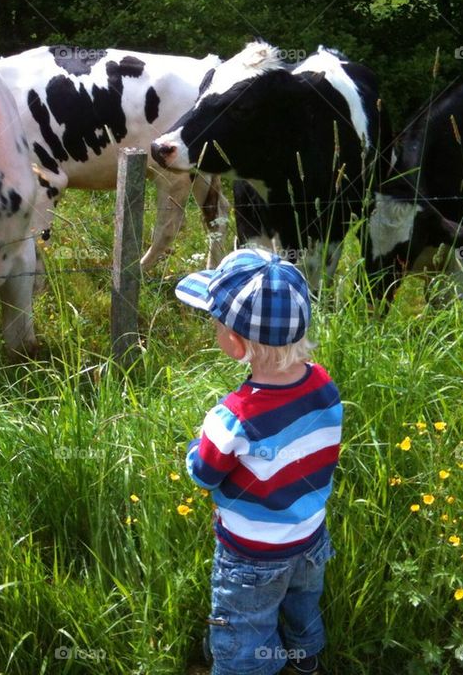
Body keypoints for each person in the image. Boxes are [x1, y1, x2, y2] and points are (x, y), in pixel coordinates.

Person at [176, 248, 342, 675]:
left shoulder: (232, 417)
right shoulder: (324, 385)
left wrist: (198, 446)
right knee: (302, 603)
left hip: (251, 556)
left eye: (217, 325)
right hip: (309, 536)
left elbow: (204, 473)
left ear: (234, 343)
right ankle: (306, 660)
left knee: (244, 629)